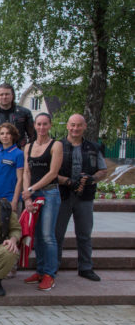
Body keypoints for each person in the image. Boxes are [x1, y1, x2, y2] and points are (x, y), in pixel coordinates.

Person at [55, 114, 107, 282]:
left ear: (84, 126)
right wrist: (67, 181)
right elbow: (50, 173)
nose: (75, 128)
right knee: (57, 234)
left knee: (84, 234)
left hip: (85, 197)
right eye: (72, 125)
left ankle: (85, 267)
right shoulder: (57, 146)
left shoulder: (94, 147)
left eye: (78, 125)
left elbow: (103, 170)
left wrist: (92, 178)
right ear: (67, 126)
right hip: (62, 196)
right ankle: (53, 267)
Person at [22, 113, 63, 291]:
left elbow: (53, 173)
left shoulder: (56, 145)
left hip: (49, 193)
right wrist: (27, 195)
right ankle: (40, 271)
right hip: (33, 194)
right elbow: (26, 172)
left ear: (50, 125)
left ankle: (49, 274)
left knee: (47, 235)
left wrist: (31, 189)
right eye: (38, 124)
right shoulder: (28, 146)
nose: (41, 127)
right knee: (37, 235)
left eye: (45, 124)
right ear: (34, 126)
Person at [0, 83, 35, 148]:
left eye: (7, 94)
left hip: (19, 149)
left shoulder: (24, 113)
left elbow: (33, 135)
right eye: (1, 94)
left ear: (12, 95)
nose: (4, 97)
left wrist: (28, 149)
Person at [0, 122, 24, 212]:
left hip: (10, 199)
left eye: (8, 133)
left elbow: (20, 179)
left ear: (13, 135)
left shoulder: (19, 154)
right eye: (2, 133)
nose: (4, 136)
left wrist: (15, 200)